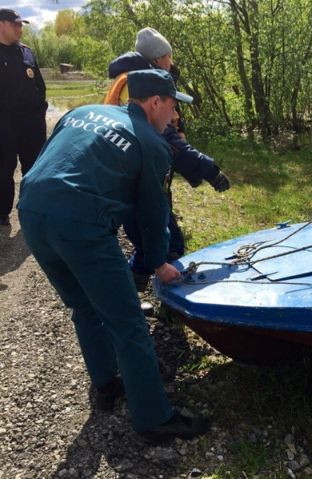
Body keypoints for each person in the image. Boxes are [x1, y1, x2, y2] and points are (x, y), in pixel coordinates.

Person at [17, 70, 210, 442]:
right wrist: (159, 262)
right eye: (173, 107)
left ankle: (106, 385)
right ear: (155, 102)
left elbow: (51, 161)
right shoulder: (152, 145)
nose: (174, 117)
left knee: (84, 306)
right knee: (128, 322)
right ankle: (154, 418)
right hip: (80, 224)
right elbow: (153, 215)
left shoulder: (82, 112)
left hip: (31, 211)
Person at [105, 27, 230, 290]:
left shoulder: (135, 78)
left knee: (152, 236)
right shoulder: (141, 84)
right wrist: (209, 170)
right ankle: (165, 296)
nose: (172, 62)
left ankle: (136, 284)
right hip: (136, 173)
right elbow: (168, 141)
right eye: (169, 56)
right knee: (166, 240)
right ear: (158, 58)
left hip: (134, 169)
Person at [0, 8, 47, 226]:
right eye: (15, 24)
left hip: (31, 126)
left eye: (21, 25)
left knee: (35, 169)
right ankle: (2, 213)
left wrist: (40, 113)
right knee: (3, 171)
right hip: (4, 127)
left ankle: (31, 208)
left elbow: (39, 85)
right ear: (1, 24)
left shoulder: (27, 52)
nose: (20, 29)